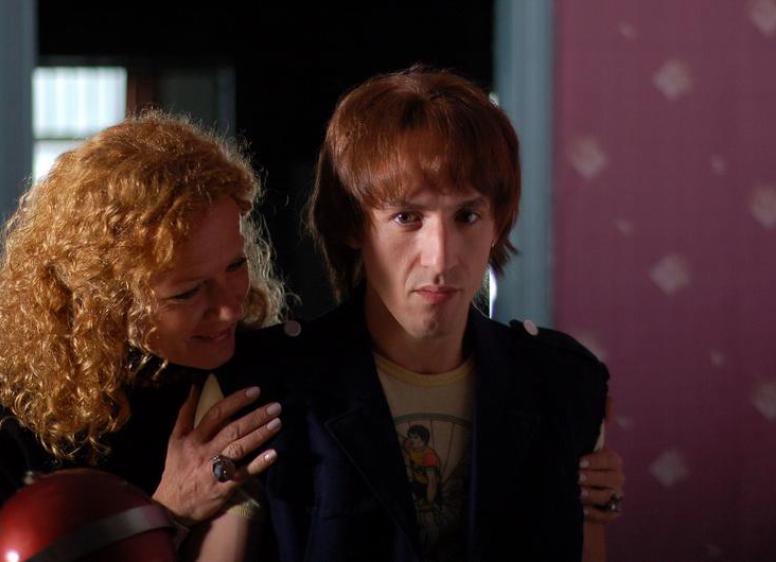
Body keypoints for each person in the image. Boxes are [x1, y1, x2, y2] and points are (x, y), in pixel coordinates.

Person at [216, 66, 623, 561]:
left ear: (497, 222)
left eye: (467, 216)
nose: (441, 257)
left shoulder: (563, 382)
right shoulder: (268, 385)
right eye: (407, 218)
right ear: (352, 224)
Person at [0, 112, 284, 559]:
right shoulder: (15, 424)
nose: (231, 307)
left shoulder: (262, 371)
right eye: (187, 292)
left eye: (236, 265)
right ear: (105, 301)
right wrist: (169, 511)